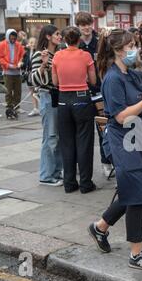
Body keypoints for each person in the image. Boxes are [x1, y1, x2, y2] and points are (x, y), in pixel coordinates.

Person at [90, 29, 142, 271]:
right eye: (133, 45)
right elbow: (123, 116)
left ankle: (100, 227)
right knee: (136, 195)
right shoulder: (112, 79)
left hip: (138, 138)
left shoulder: (133, 75)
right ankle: (136, 254)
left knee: (133, 190)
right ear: (118, 49)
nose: (137, 49)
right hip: (122, 140)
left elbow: (140, 104)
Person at [52, 27, 97, 194]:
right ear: (79, 40)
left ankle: (69, 183)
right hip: (81, 99)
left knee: (66, 142)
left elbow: (55, 82)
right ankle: (86, 183)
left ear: (64, 40)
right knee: (84, 141)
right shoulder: (85, 56)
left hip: (63, 99)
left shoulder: (57, 56)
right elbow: (93, 80)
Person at [75, 11, 113, 177]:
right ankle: (80, 165)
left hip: (99, 92)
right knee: (82, 132)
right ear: (78, 26)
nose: (87, 28)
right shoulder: (74, 43)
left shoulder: (99, 42)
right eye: (83, 25)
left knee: (103, 130)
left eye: (89, 24)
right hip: (81, 93)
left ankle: (106, 161)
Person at [30, 25, 63, 187]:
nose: (60, 37)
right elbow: (33, 80)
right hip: (47, 96)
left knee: (57, 137)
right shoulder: (39, 54)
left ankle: (56, 172)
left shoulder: (58, 53)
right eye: (57, 34)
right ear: (48, 36)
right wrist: (43, 65)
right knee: (50, 137)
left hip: (58, 97)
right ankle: (46, 175)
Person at [0, 29, 26, 117]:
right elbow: (0, 57)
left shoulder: (18, 45)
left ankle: (17, 106)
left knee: (18, 91)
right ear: (7, 37)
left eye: (14, 39)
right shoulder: (1, 45)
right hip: (8, 71)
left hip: (17, 71)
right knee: (8, 91)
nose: (13, 40)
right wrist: (9, 65)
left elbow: (22, 55)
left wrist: (20, 62)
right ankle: (9, 107)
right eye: (11, 39)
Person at [23, 37, 40, 117]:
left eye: (33, 42)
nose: (32, 44)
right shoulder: (26, 52)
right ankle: (35, 108)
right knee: (32, 92)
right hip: (29, 74)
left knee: (38, 92)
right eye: (30, 42)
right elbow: (25, 63)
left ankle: (40, 107)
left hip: (36, 73)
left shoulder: (37, 52)